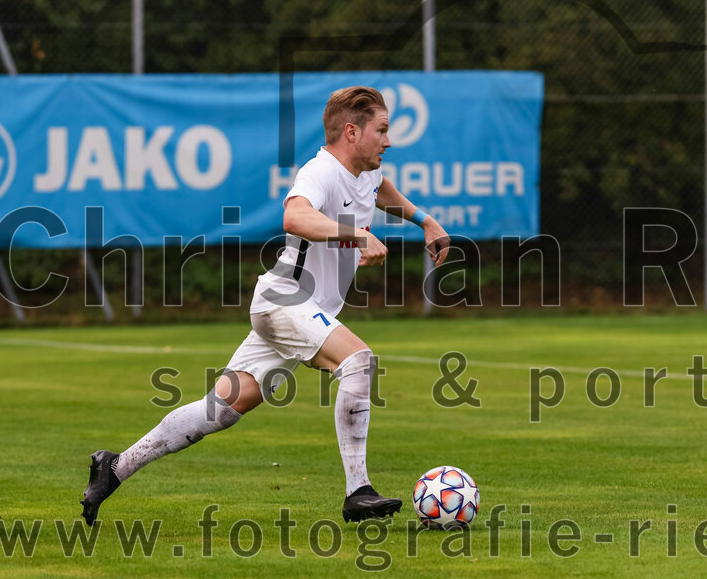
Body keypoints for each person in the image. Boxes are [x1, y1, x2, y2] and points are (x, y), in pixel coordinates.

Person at [81, 86, 450, 524]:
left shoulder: (366, 171)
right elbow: (295, 217)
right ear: (352, 132)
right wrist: (355, 234)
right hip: (286, 299)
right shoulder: (321, 171)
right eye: (382, 131)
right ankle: (358, 491)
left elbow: (379, 189)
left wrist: (424, 220)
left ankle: (115, 467)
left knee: (221, 410)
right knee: (359, 361)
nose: (388, 141)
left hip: (299, 307)